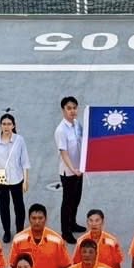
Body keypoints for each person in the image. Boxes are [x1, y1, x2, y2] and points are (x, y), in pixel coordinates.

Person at [0, 112, 30, 241]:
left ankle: (20, 230)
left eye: (9, 124)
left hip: (16, 178)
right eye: (4, 124)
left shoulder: (19, 140)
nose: (6, 127)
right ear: (0, 126)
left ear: (13, 125)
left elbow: (25, 161)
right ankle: (6, 231)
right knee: (4, 205)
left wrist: (26, 180)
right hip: (0, 178)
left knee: (19, 205)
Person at [55, 96, 85, 238]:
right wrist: (73, 169)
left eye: (74, 108)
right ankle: (66, 231)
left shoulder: (77, 124)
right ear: (63, 110)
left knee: (76, 199)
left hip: (79, 169)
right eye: (69, 108)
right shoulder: (61, 130)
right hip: (68, 172)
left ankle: (72, 223)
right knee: (67, 201)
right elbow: (64, 152)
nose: (72, 111)